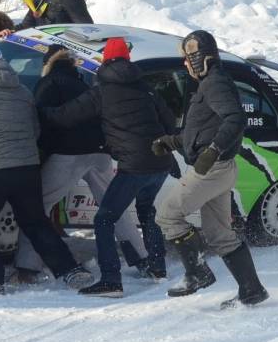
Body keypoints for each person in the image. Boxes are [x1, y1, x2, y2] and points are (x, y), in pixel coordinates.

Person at [41, 38, 178, 297]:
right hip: (160, 162)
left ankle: (111, 280)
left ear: (105, 60)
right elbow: (169, 123)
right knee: (147, 211)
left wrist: (40, 110)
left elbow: (66, 116)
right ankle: (157, 267)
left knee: (104, 218)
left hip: (134, 166)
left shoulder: (102, 91)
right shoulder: (146, 88)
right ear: (127, 59)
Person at [0, 39, 93, 296]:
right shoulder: (23, 91)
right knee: (35, 222)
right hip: (28, 168)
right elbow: (35, 130)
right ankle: (69, 270)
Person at [13, 44, 148, 285]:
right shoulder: (83, 82)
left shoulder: (49, 84)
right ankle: (141, 259)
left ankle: (27, 266)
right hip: (99, 152)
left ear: (48, 64)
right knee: (113, 206)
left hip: (68, 154)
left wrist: (42, 152)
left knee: (36, 207)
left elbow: (42, 120)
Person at [153, 31, 268, 309]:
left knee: (168, 215)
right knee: (219, 235)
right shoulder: (209, 83)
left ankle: (197, 273)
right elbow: (203, 129)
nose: (184, 65)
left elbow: (235, 119)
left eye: (187, 59)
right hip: (219, 167)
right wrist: (172, 142)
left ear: (199, 58)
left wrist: (214, 150)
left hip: (212, 168)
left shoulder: (214, 83)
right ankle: (252, 290)